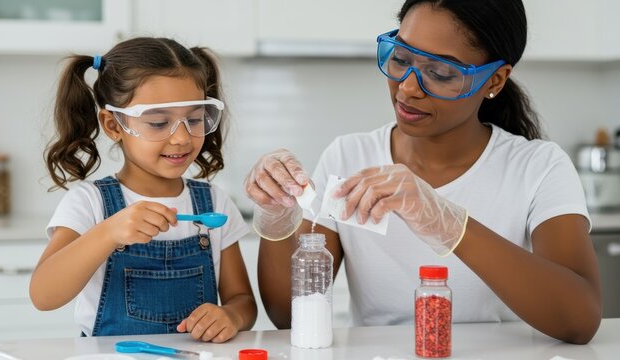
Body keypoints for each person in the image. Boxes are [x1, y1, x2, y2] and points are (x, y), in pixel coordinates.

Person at [245, 0, 601, 344]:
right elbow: (288, 315)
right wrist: (277, 214)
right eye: (400, 58)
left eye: (441, 72)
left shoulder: (538, 167)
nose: (408, 87)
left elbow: (579, 320)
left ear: (494, 80)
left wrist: (449, 224)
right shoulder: (348, 157)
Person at [29, 37, 256, 342]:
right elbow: (43, 295)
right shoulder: (89, 202)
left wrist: (231, 316)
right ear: (113, 125)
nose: (181, 138)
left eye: (193, 119)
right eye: (160, 123)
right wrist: (109, 233)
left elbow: (242, 301)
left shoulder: (213, 202)